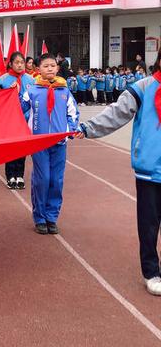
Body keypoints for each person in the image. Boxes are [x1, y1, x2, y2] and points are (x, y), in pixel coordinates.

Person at [77, 48, 161, 296]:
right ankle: (151, 271)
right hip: (149, 169)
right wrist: (88, 127)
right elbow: (117, 112)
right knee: (148, 226)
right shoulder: (144, 87)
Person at [21, 53, 79, 235]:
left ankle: (51, 217)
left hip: (59, 143)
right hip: (39, 144)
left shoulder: (64, 91)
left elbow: (73, 113)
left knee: (56, 180)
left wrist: (70, 130)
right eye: (45, 66)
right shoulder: (31, 90)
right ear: (38, 70)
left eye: (52, 66)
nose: (50, 69)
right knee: (42, 179)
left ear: (57, 68)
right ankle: (39, 217)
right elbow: (18, 111)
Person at [0, 52, 34, 189]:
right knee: (11, 147)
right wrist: (9, 92)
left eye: (22, 62)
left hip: (24, 119)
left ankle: (20, 175)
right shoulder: (2, 80)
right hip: (9, 119)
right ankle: (10, 175)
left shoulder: (31, 80)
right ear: (10, 64)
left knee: (22, 148)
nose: (19, 65)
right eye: (16, 62)